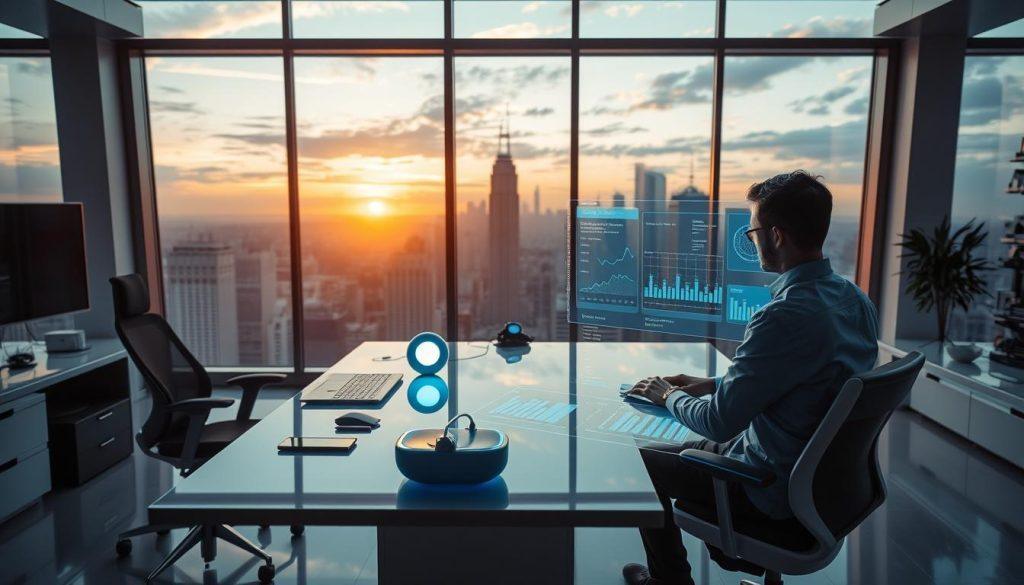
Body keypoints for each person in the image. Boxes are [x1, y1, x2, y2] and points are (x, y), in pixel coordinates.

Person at [621, 171, 879, 585]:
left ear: (776, 235)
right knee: (664, 449)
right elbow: (807, 385)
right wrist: (712, 383)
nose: (752, 239)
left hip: (765, 485)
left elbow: (719, 422)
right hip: (821, 487)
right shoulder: (854, 300)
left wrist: (667, 393)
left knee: (639, 465)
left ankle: (670, 582)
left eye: (752, 231)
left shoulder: (783, 316)